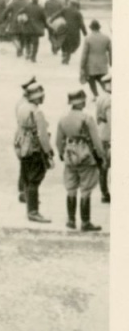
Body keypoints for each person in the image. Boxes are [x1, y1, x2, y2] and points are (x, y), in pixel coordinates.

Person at [56, 90, 105, 232]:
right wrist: (101, 156)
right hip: (86, 155)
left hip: (70, 155)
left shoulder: (63, 118)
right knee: (86, 189)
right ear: (82, 102)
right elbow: (96, 141)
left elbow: (59, 141)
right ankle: (85, 222)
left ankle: (71, 220)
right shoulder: (87, 118)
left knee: (71, 188)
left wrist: (61, 153)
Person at [14, 82, 54, 223]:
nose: (43, 98)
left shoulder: (22, 107)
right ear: (37, 97)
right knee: (35, 179)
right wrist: (48, 152)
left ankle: (30, 210)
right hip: (35, 148)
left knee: (26, 178)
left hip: (23, 146)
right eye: (42, 96)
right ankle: (33, 211)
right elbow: (42, 135)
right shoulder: (37, 112)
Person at [80, 20, 112, 100]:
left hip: (91, 64)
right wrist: (111, 63)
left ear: (91, 28)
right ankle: (110, 92)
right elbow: (111, 51)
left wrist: (82, 66)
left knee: (91, 80)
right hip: (103, 63)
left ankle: (96, 95)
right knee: (103, 80)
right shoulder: (106, 38)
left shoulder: (88, 38)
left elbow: (84, 54)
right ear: (99, 27)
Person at [96, 73, 111, 204]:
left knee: (103, 167)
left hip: (101, 133)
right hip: (109, 136)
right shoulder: (111, 100)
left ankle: (104, 192)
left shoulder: (101, 97)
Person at [58, 0, 87, 65]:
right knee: (72, 45)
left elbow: (57, 15)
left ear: (70, 4)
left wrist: (51, 20)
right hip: (74, 32)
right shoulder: (78, 12)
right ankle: (66, 58)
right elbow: (81, 24)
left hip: (64, 30)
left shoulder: (65, 9)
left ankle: (64, 55)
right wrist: (85, 33)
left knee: (64, 43)